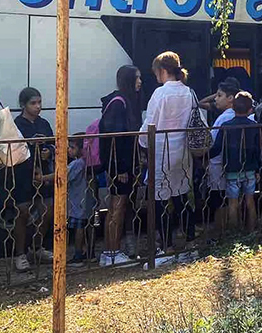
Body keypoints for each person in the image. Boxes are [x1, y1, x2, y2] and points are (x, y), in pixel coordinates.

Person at [139, 52, 196, 255]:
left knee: (161, 200)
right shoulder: (189, 92)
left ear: (162, 71)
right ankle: (191, 241)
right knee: (181, 197)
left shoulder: (160, 94)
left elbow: (149, 125)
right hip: (183, 153)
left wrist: (142, 143)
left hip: (161, 153)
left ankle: (167, 245)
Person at [98, 65, 142, 267]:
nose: (140, 82)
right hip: (120, 168)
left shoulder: (121, 101)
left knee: (120, 206)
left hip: (123, 165)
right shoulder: (119, 103)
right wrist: (120, 168)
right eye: (137, 78)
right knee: (116, 207)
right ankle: (111, 252)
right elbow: (115, 140)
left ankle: (112, 251)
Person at [13, 87, 56, 268]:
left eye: (39, 103)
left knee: (48, 211)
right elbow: (12, 149)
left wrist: (49, 151)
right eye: (33, 103)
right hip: (22, 175)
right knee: (22, 213)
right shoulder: (16, 124)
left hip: (43, 175)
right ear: (23, 105)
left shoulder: (44, 123)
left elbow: (55, 144)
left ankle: (36, 248)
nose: (37, 107)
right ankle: (20, 254)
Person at [209, 92, 262, 232]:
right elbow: (258, 149)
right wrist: (258, 168)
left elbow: (217, 148)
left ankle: (233, 234)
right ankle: (252, 231)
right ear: (250, 110)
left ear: (233, 107)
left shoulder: (225, 126)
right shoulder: (254, 126)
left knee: (233, 203)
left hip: (232, 169)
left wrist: (202, 156)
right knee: (250, 202)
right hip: (250, 168)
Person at [206, 79, 241, 236]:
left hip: (218, 164)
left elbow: (214, 145)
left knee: (219, 201)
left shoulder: (224, 118)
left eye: (219, 95)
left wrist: (202, 157)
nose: (215, 98)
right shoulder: (234, 115)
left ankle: (219, 234)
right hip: (231, 164)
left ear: (231, 98)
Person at [67, 138, 90, 265]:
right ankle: (90, 252)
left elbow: (63, 175)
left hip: (77, 201)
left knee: (78, 228)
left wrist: (42, 178)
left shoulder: (77, 163)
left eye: (72, 147)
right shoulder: (86, 162)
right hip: (85, 200)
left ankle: (78, 255)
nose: (69, 150)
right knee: (88, 226)